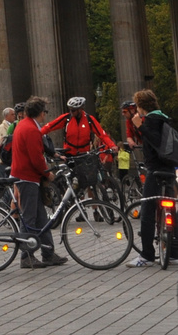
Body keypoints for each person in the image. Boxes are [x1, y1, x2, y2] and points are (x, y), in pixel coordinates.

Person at [11, 95, 66, 269]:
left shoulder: (24, 125)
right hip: (27, 177)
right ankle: (26, 256)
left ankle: (48, 253)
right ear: (41, 113)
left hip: (26, 176)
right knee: (29, 218)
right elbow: (36, 158)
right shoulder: (31, 130)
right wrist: (47, 173)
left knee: (41, 218)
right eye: (45, 111)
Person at [128, 88, 178, 267]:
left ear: (141, 106)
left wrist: (140, 126)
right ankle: (173, 252)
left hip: (155, 170)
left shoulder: (149, 120)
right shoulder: (164, 118)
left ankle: (147, 255)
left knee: (147, 211)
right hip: (170, 169)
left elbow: (155, 141)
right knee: (171, 209)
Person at [41, 96, 116, 156]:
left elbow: (102, 134)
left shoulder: (89, 119)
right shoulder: (67, 118)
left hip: (84, 154)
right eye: (70, 110)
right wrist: (38, 134)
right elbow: (50, 126)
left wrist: (112, 145)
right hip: (69, 153)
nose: (71, 112)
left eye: (73, 110)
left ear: (80, 110)